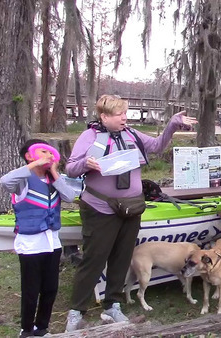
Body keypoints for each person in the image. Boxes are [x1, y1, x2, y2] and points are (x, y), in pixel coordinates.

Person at [65, 94, 197, 331]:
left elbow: (157, 146)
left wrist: (172, 126)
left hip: (131, 208)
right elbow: (70, 168)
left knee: (122, 257)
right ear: (104, 116)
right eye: (119, 114)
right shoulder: (90, 137)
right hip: (100, 208)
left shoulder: (132, 134)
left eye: (125, 113)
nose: (124, 117)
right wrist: (87, 163)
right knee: (94, 259)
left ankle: (112, 304)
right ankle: (77, 311)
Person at [0, 139, 76, 338]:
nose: (49, 155)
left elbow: (69, 196)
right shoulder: (23, 181)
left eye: (51, 153)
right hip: (31, 244)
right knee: (31, 290)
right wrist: (34, 165)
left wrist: (55, 172)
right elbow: (5, 181)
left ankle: (42, 328)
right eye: (44, 151)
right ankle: (26, 330)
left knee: (50, 288)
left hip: (52, 242)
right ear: (29, 155)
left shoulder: (54, 180)